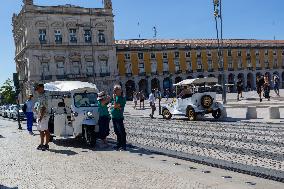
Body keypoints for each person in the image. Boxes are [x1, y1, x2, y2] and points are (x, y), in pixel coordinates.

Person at [35, 83, 50, 151]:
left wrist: (41, 116)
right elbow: (38, 105)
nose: (37, 90)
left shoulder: (45, 95)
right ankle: (41, 144)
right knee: (41, 130)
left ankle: (46, 144)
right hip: (39, 115)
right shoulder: (40, 95)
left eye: (38, 89)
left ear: (41, 88)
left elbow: (44, 107)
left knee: (45, 130)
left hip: (44, 115)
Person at [111, 85, 127, 151]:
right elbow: (112, 106)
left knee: (121, 132)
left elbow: (115, 105)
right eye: (114, 89)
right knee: (117, 131)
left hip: (119, 117)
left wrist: (114, 102)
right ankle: (118, 145)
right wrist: (114, 105)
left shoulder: (121, 98)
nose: (114, 90)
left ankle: (123, 146)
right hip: (114, 117)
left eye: (116, 89)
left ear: (120, 90)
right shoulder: (115, 97)